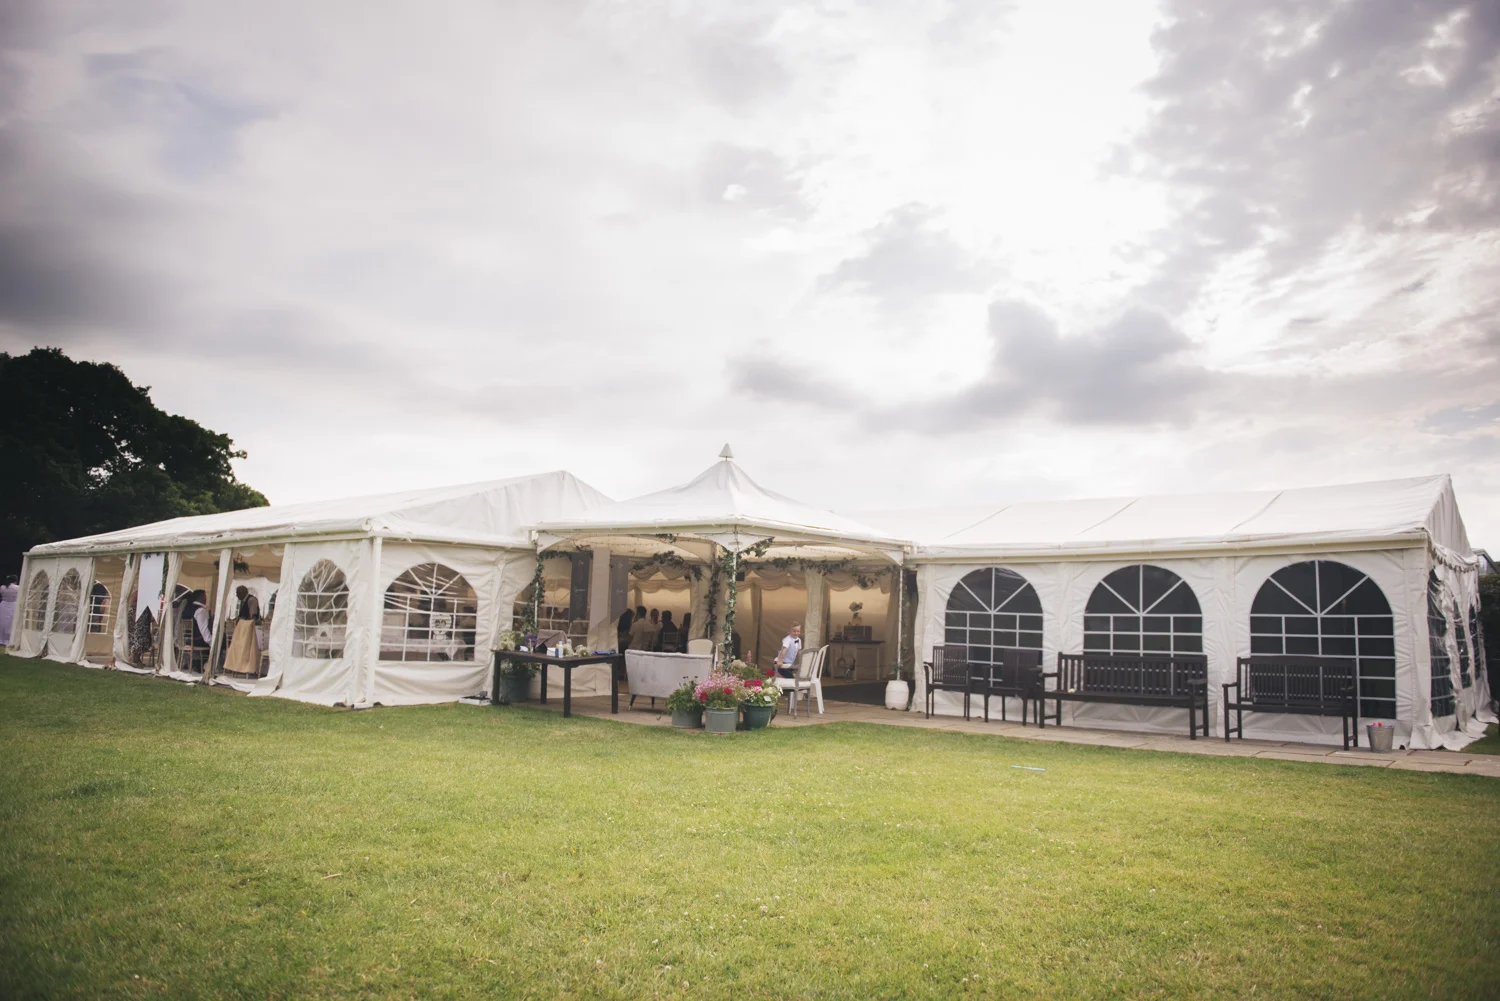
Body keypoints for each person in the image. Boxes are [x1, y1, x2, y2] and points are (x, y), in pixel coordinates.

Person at [222, 585, 262, 676]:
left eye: (237, 593)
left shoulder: (251, 600)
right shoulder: (244, 601)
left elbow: (252, 615)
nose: (236, 595)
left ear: (242, 593)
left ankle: (244, 666)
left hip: (249, 629)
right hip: (243, 629)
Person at [0, 574, 17, 647]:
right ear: (15, 581)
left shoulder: (2, 587)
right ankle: (8, 639)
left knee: (2, 622)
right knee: (10, 623)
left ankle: (1, 639)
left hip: (3, 605)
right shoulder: (17, 587)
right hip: (13, 605)